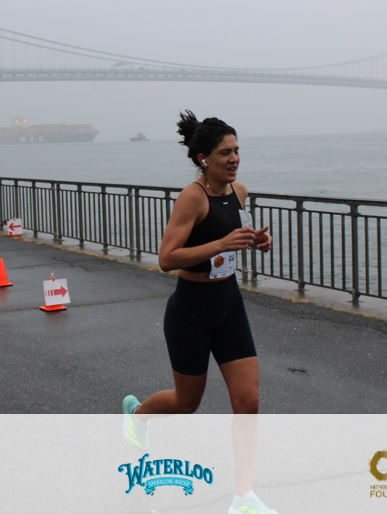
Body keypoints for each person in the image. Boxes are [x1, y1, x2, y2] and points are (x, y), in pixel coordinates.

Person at [123, 110, 277, 514]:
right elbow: (167, 258)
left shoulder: (240, 191)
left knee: (248, 401)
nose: (234, 158)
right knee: (186, 402)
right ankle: (138, 415)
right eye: (225, 152)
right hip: (190, 310)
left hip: (229, 305)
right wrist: (221, 245)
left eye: (237, 150)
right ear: (202, 159)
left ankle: (244, 496)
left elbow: (231, 236)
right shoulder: (192, 197)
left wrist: (257, 241)